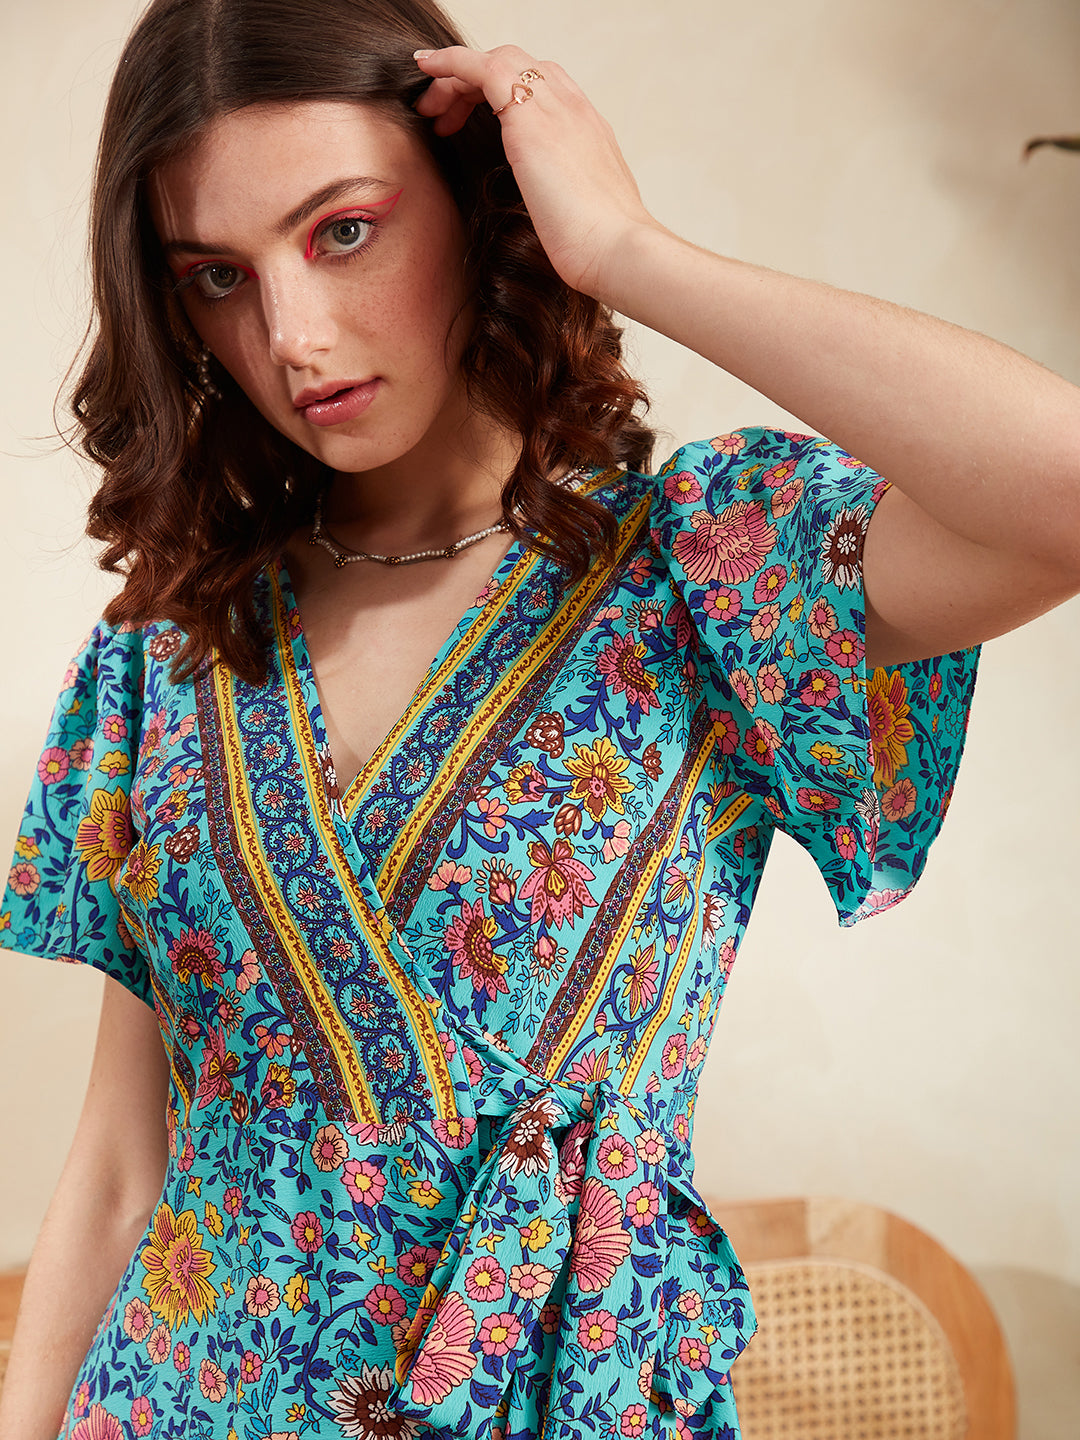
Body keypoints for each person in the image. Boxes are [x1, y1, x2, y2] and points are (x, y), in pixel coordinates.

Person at [1, 0, 1078, 1435]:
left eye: (343, 231)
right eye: (216, 277)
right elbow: (119, 1172)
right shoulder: (169, 649)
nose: (293, 336)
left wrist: (627, 248)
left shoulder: (701, 574)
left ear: (475, 200)